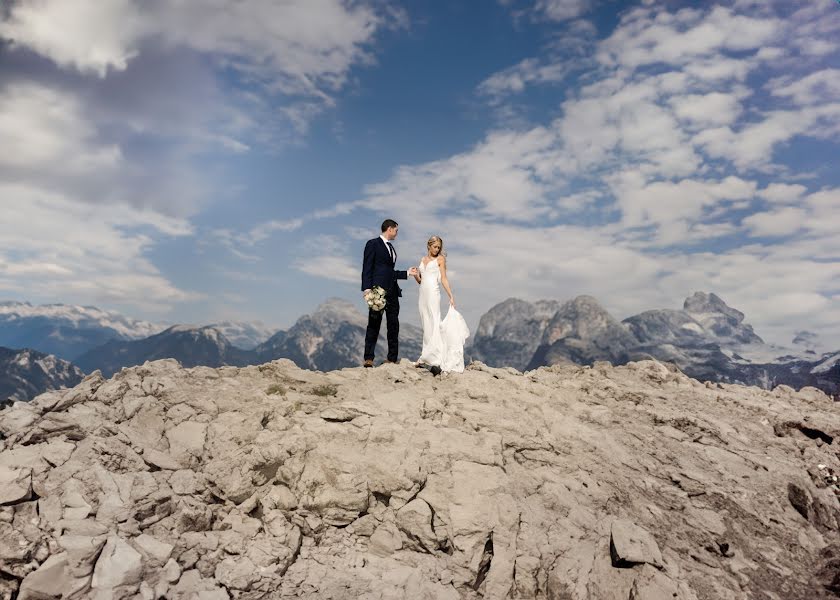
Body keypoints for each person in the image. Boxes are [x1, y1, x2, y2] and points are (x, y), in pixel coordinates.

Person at [361, 219, 418, 367]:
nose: (397, 233)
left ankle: (392, 358)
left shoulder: (391, 248)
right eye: (396, 230)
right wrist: (367, 289)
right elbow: (367, 267)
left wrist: (407, 273)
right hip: (377, 290)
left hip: (392, 290)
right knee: (374, 324)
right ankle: (368, 358)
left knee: (394, 325)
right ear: (390, 229)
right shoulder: (372, 244)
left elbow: (389, 272)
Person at [413, 235, 469, 373]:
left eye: (439, 247)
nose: (437, 249)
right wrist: (415, 275)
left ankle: (436, 357)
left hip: (433, 293)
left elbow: (443, 278)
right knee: (426, 323)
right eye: (435, 247)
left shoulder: (440, 259)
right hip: (422, 294)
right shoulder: (422, 259)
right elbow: (422, 281)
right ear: (429, 246)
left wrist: (451, 295)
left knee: (434, 322)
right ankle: (426, 355)